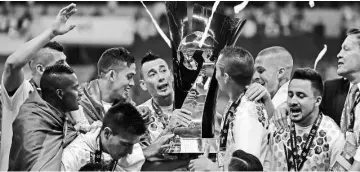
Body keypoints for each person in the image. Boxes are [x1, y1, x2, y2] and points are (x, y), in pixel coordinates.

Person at [0, 3, 76, 170]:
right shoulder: (21, 93)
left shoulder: (65, 102)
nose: (68, 67)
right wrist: (51, 33)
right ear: (41, 69)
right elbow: (12, 65)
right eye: (61, 63)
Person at [272, 28, 360, 171]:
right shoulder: (332, 89)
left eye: (346, 49)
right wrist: (284, 106)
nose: (339, 54)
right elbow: (308, 100)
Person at [188, 46, 269, 171]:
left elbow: (247, 168)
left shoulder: (246, 114)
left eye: (217, 70)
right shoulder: (239, 101)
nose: (215, 75)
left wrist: (210, 167)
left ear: (225, 77)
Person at [263, 68, 345, 171]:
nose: (293, 101)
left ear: (317, 101)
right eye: (290, 95)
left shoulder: (334, 137)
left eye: (300, 96)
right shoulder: (276, 126)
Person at [9, 64, 81, 171]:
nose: (80, 93)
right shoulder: (32, 121)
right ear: (60, 94)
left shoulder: (52, 113)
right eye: (76, 88)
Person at [137, 52, 193, 170]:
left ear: (172, 75)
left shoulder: (194, 105)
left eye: (163, 71)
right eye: (152, 74)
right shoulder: (137, 116)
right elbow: (138, 158)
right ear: (143, 85)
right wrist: (169, 128)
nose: (160, 77)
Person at [61, 102, 147, 171]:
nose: (130, 152)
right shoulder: (73, 157)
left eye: (133, 144)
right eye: (125, 144)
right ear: (107, 133)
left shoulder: (133, 151)